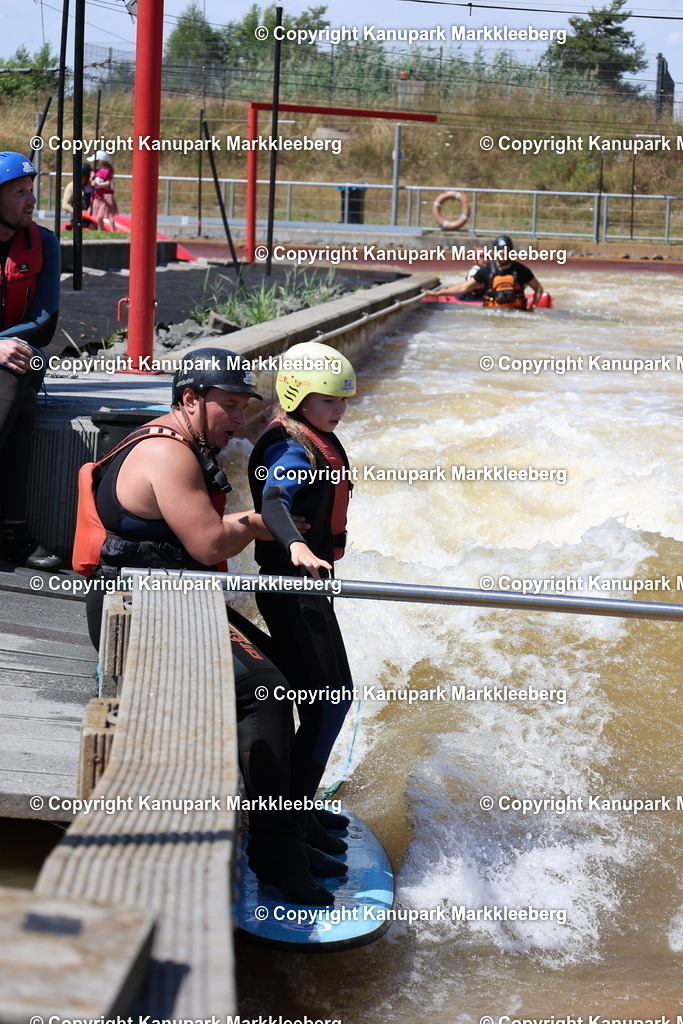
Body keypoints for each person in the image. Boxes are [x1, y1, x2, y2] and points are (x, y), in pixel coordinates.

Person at [82, 347, 338, 906]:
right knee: (265, 690)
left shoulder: (184, 442)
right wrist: (252, 522)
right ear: (190, 399)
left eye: (245, 405)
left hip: (174, 599)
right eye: (227, 405)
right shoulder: (167, 454)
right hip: (140, 608)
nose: (238, 419)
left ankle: (289, 823)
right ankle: (273, 851)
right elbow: (207, 543)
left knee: (296, 674)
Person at [247, 341, 356, 868]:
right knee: (331, 697)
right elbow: (273, 500)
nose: (338, 409)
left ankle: (301, 809)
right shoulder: (289, 449)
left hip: (307, 584)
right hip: (290, 585)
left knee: (323, 697)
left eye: (341, 400)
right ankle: (290, 821)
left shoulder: (315, 439)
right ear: (297, 397)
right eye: (328, 400)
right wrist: (294, 543)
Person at [0, 151, 62, 571]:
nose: (31, 198)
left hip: (19, 354)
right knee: (18, 401)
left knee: (18, 370)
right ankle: (12, 532)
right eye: (19, 191)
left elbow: (43, 323)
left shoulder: (46, 243)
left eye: (31, 189)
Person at [426, 234, 544, 309]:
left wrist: (532, 309)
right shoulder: (486, 271)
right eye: (499, 250)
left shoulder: (521, 270)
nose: (503, 253)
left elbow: (538, 289)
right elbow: (464, 288)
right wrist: (437, 294)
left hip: (517, 314)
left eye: (506, 250)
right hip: (492, 315)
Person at [90, 151, 118, 230]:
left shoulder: (106, 171)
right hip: (98, 195)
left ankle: (113, 231)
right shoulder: (96, 171)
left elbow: (108, 183)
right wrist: (91, 177)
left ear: (100, 161)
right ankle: (100, 231)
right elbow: (92, 182)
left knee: (109, 215)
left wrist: (98, 185)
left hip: (106, 195)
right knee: (99, 216)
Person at [62, 162, 94, 229]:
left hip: (92, 216)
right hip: (78, 218)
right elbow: (65, 205)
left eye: (85, 176)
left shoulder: (93, 185)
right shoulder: (72, 186)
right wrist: (79, 214)